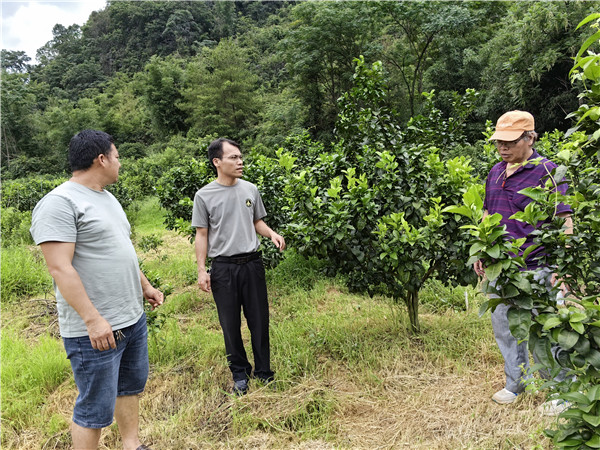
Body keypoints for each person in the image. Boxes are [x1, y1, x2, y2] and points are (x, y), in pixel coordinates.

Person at [30, 129, 163, 450]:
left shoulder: (106, 197)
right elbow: (60, 267)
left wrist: (144, 285)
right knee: (94, 408)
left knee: (129, 387)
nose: (120, 162)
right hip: (95, 329)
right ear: (101, 159)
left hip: (131, 318)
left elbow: (119, 249)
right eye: (117, 156)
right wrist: (92, 319)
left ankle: (132, 445)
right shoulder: (59, 203)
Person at [474, 111, 573, 411]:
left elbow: (564, 221)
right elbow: (487, 214)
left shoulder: (549, 172)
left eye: (510, 142)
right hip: (502, 269)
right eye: (498, 143)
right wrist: (482, 250)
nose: (503, 149)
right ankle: (515, 384)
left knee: (545, 331)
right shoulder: (495, 172)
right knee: (505, 328)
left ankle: (559, 392)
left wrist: (563, 268)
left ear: (530, 138)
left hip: (538, 266)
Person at [192, 138, 285, 395]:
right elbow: (202, 234)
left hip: (252, 264)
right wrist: (202, 270)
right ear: (217, 162)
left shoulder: (250, 189)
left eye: (240, 157)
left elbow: (257, 222)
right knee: (230, 324)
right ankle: (240, 375)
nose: (240, 161)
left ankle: (264, 371)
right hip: (223, 268)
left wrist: (272, 234)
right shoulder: (204, 195)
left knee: (259, 320)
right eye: (233, 157)